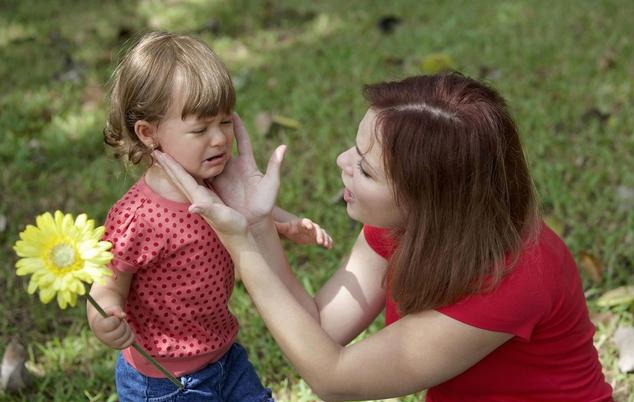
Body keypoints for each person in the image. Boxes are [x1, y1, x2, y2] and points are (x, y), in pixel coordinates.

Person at [154, 72, 615, 401]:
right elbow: (322, 328)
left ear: (429, 200)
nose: (341, 160)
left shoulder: (515, 276)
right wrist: (255, 223)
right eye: (355, 147)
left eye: (366, 169)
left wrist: (241, 246)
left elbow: (334, 379)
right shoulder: (404, 225)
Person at [87, 31, 331, 402]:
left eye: (225, 123)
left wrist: (286, 224)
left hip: (225, 357)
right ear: (149, 133)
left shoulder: (214, 179)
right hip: (165, 381)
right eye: (200, 129)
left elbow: (245, 212)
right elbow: (107, 282)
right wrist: (104, 315)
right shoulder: (137, 217)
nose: (219, 139)